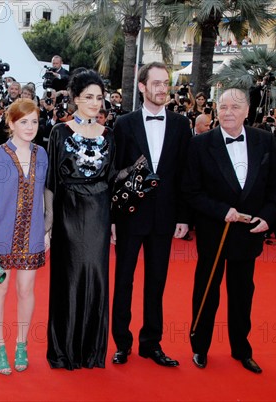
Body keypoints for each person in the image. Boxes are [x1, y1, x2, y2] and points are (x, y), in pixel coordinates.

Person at [182, 88, 276, 374]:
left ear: (247, 111)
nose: (228, 112)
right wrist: (220, 211)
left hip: (249, 233)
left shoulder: (265, 141)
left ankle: (241, 349)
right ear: (215, 109)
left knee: (242, 294)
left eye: (235, 107)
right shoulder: (200, 144)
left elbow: (275, 188)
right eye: (223, 106)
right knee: (206, 292)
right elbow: (190, 191)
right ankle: (199, 347)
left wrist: (267, 217)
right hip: (215, 231)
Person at [111, 61, 191, 367]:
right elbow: (116, 173)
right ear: (142, 87)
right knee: (124, 281)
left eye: (165, 82)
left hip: (165, 216)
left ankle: (151, 344)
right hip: (131, 216)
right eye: (156, 83)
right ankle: (122, 343)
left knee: (157, 282)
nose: (162, 88)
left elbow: (185, 174)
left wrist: (183, 217)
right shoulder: (124, 124)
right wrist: (115, 219)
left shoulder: (181, 125)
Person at [45, 69, 116, 370]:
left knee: (97, 278)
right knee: (68, 279)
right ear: (75, 99)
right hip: (67, 213)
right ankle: (64, 352)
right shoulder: (59, 133)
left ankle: (91, 351)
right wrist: (49, 221)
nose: (95, 103)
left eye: (99, 98)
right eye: (88, 97)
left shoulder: (109, 135)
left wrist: (113, 220)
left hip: (99, 213)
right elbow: (50, 182)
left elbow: (111, 180)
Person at [0, 99, 48, 375]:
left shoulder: (42, 154)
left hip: (32, 234)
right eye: (23, 121)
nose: (29, 127)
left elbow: (44, 195)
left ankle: (21, 344)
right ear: (11, 123)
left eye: (34, 121)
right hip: (1, 234)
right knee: (1, 289)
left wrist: (47, 229)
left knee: (26, 290)